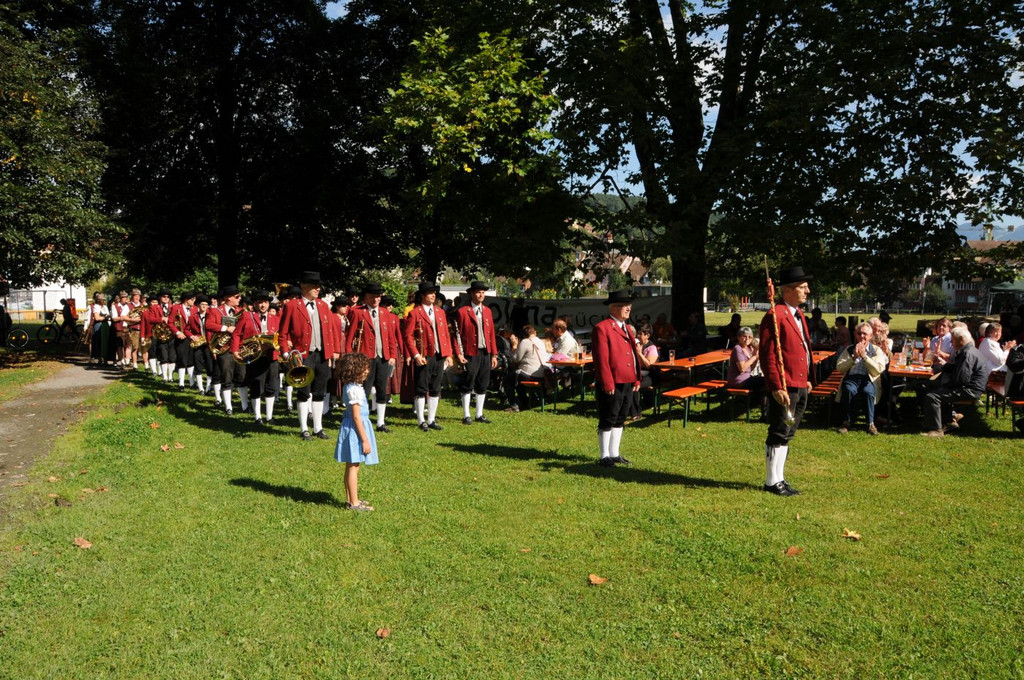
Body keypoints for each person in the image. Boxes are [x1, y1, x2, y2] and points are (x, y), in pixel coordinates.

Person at [759, 266, 814, 496]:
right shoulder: (776, 314)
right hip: (786, 383)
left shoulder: (798, 314)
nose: (807, 291)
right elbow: (768, 354)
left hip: (800, 383)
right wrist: (775, 385)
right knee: (780, 430)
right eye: (803, 287)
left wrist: (809, 378)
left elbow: (803, 348)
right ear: (788, 290)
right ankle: (772, 481)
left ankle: (780, 477)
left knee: (789, 432)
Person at [278, 271, 341, 440]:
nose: (317, 289)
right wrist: (286, 352)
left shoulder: (322, 306)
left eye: (318, 286)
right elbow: (282, 333)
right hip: (302, 355)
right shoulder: (292, 305)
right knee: (304, 392)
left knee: (320, 391)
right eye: (314, 286)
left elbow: (329, 331)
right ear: (304, 287)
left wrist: (333, 351)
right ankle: (304, 428)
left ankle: (318, 427)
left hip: (321, 354)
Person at [592, 290, 642, 466]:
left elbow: (633, 356)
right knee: (608, 417)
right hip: (612, 381)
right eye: (624, 305)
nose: (628, 308)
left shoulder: (627, 328)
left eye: (629, 305)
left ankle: (615, 453)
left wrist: (637, 378)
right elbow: (601, 359)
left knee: (621, 417)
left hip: (627, 380)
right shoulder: (602, 328)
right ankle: (604, 455)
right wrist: (607, 382)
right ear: (613, 308)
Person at [346, 283, 399, 433]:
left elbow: (390, 337)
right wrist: (350, 357)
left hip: (383, 357)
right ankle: (362, 419)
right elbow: (350, 337)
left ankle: (381, 422)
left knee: (382, 388)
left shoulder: (385, 313)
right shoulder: (358, 313)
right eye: (373, 296)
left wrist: (392, 355)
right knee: (365, 389)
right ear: (366, 298)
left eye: (378, 296)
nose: (376, 299)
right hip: (365, 357)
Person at [919, 327, 990, 437]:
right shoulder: (969, 350)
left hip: (970, 390)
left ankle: (935, 430)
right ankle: (948, 422)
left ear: (960, 339)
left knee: (933, 396)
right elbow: (959, 371)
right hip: (971, 387)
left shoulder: (967, 354)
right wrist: (944, 364)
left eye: (952, 340)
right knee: (930, 386)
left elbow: (961, 378)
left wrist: (944, 386)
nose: (951, 344)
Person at [403, 282, 454, 431]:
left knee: (435, 388)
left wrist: (449, 354)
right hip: (424, 355)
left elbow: (445, 334)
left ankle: (431, 419)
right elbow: (407, 335)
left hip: (439, 354)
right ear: (423, 296)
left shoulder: (440, 312)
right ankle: (420, 420)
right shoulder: (415, 312)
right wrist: (416, 354)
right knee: (421, 388)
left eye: (434, 293)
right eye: (430, 293)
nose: (433, 295)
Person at [334, 353, 378, 511]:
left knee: (350, 465)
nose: (367, 371)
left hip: (351, 428)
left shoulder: (351, 387)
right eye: (364, 369)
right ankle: (354, 503)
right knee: (354, 466)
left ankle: (350, 499)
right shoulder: (356, 391)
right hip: (355, 431)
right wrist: (365, 439)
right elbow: (357, 417)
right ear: (355, 370)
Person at [232, 291, 281, 425]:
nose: (263, 305)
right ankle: (257, 417)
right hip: (254, 357)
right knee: (256, 386)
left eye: (265, 302)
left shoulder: (275, 319)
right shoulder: (247, 316)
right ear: (255, 304)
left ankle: (269, 416)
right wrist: (235, 350)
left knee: (271, 386)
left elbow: (281, 336)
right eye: (260, 302)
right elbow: (236, 334)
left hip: (272, 356)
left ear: (269, 303)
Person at [455, 281, 499, 425]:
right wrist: (459, 354)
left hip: (485, 351)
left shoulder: (487, 311)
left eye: (483, 292)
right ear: (471, 294)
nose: (481, 295)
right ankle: (466, 414)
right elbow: (456, 335)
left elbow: (492, 333)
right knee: (468, 382)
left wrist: (494, 354)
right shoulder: (463, 311)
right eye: (478, 292)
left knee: (483, 383)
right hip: (470, 351)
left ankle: (479, 413)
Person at [835, 322, 885, 435]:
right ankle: (846, 422)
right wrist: (853, 358)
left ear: (870, 336)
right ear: (855, 335)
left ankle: (870, 423)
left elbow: (878, 369)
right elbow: (839, 368)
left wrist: (864, 357)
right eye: (859, 333)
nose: (862, 336)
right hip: (852, 378)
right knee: (848, 390)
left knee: (868, 392)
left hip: (868, 379)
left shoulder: (876, 350)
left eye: (865, 334)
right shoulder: (849, 349)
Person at [726, 327, 763, 392]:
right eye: (744, 336)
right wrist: (753, 357)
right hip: (738, 380)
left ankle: (757, 401)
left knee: (765, 381)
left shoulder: (748, 349)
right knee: (764, 382)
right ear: (738, 337)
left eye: (750, 337)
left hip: (746, 378)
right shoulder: (737, 349)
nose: (747, 339)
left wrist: (756, 359)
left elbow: (750, 369)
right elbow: (742, 368)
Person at [88, 292, 111, 366]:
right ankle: (99, 358)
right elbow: (97, 318)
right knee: (98, 342)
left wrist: (106, 317)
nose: (104, 301)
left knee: (105, 342)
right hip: (98, 325)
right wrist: (105, 317)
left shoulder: (105, 307)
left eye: (104, 299)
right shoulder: (96, 307)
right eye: (102, 299)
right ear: (99, 300)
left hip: (105, 325)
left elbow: (107, 315)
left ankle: (105, 358)